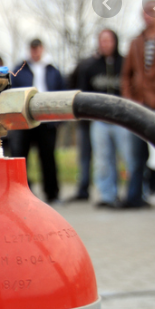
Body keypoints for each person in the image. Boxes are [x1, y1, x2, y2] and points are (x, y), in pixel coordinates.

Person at [120, 1, 155, 208]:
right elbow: (126, 75)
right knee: (136, 154)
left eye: (151, 12)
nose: (147, 16)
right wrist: (130, 98)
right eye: (144, 13)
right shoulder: (135, 42)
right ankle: (134, 196)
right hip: (139, 106)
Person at [9, 39, 65, 204]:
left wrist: (58, 120)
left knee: (48, 157)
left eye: (38, 48)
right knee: (20, 157)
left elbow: (61, 91)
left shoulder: (53, 70)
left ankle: (52, 194)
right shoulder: (19, 69)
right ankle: (21, 192)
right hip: (24, 119)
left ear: (42, 49)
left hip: (46, 120)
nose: (35, 52)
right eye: (32, 49)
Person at [80, 29, 127, 209]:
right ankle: (107, 195)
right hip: (99, 121)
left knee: (128, 157)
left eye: (109, 40)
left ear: (115, 41)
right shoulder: (89, 66)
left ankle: (135, 193)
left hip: (123, 120)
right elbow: (82, 92)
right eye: (102, 40)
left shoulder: (125, 63)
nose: (105, 44)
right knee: (102, 160)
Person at [66, 58, 93, 202]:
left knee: (99, 158)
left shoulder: (90, 66)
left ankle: (106, 193)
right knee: (84, 157)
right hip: (84, 120)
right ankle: (83, 188)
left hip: (93, 119)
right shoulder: (83, 66)